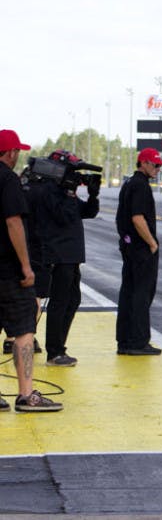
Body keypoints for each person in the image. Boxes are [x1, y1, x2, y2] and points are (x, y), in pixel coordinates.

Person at [0, 129, 62, 411]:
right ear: (11, 153)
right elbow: (13, 223)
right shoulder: (8, 179)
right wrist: (26, 266)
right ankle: (26, 395)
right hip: (8, 270)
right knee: (25, 329)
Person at [26, 151, 100, 366]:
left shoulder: (65, 192)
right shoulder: (49, 190)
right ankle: (55, 352)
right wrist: (69, 191)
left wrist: (93, 195)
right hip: (58, 255)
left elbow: (86, 212)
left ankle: (59, 347)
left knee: (72, 300)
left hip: (71, 255)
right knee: (59, 302)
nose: (75, 177)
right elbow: (63, 216)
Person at [115, 147, 162, 356]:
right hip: (141, 250)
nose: (157, 169)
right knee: (141, 294)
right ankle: (138, 341)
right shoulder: (140, 186)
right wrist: (152, 243)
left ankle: (126, 340)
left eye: (159, 166)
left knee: (129, 292)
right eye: (155, 165)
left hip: (129, 247)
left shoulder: (129, 183)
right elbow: (137, 218)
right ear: (143, 163)